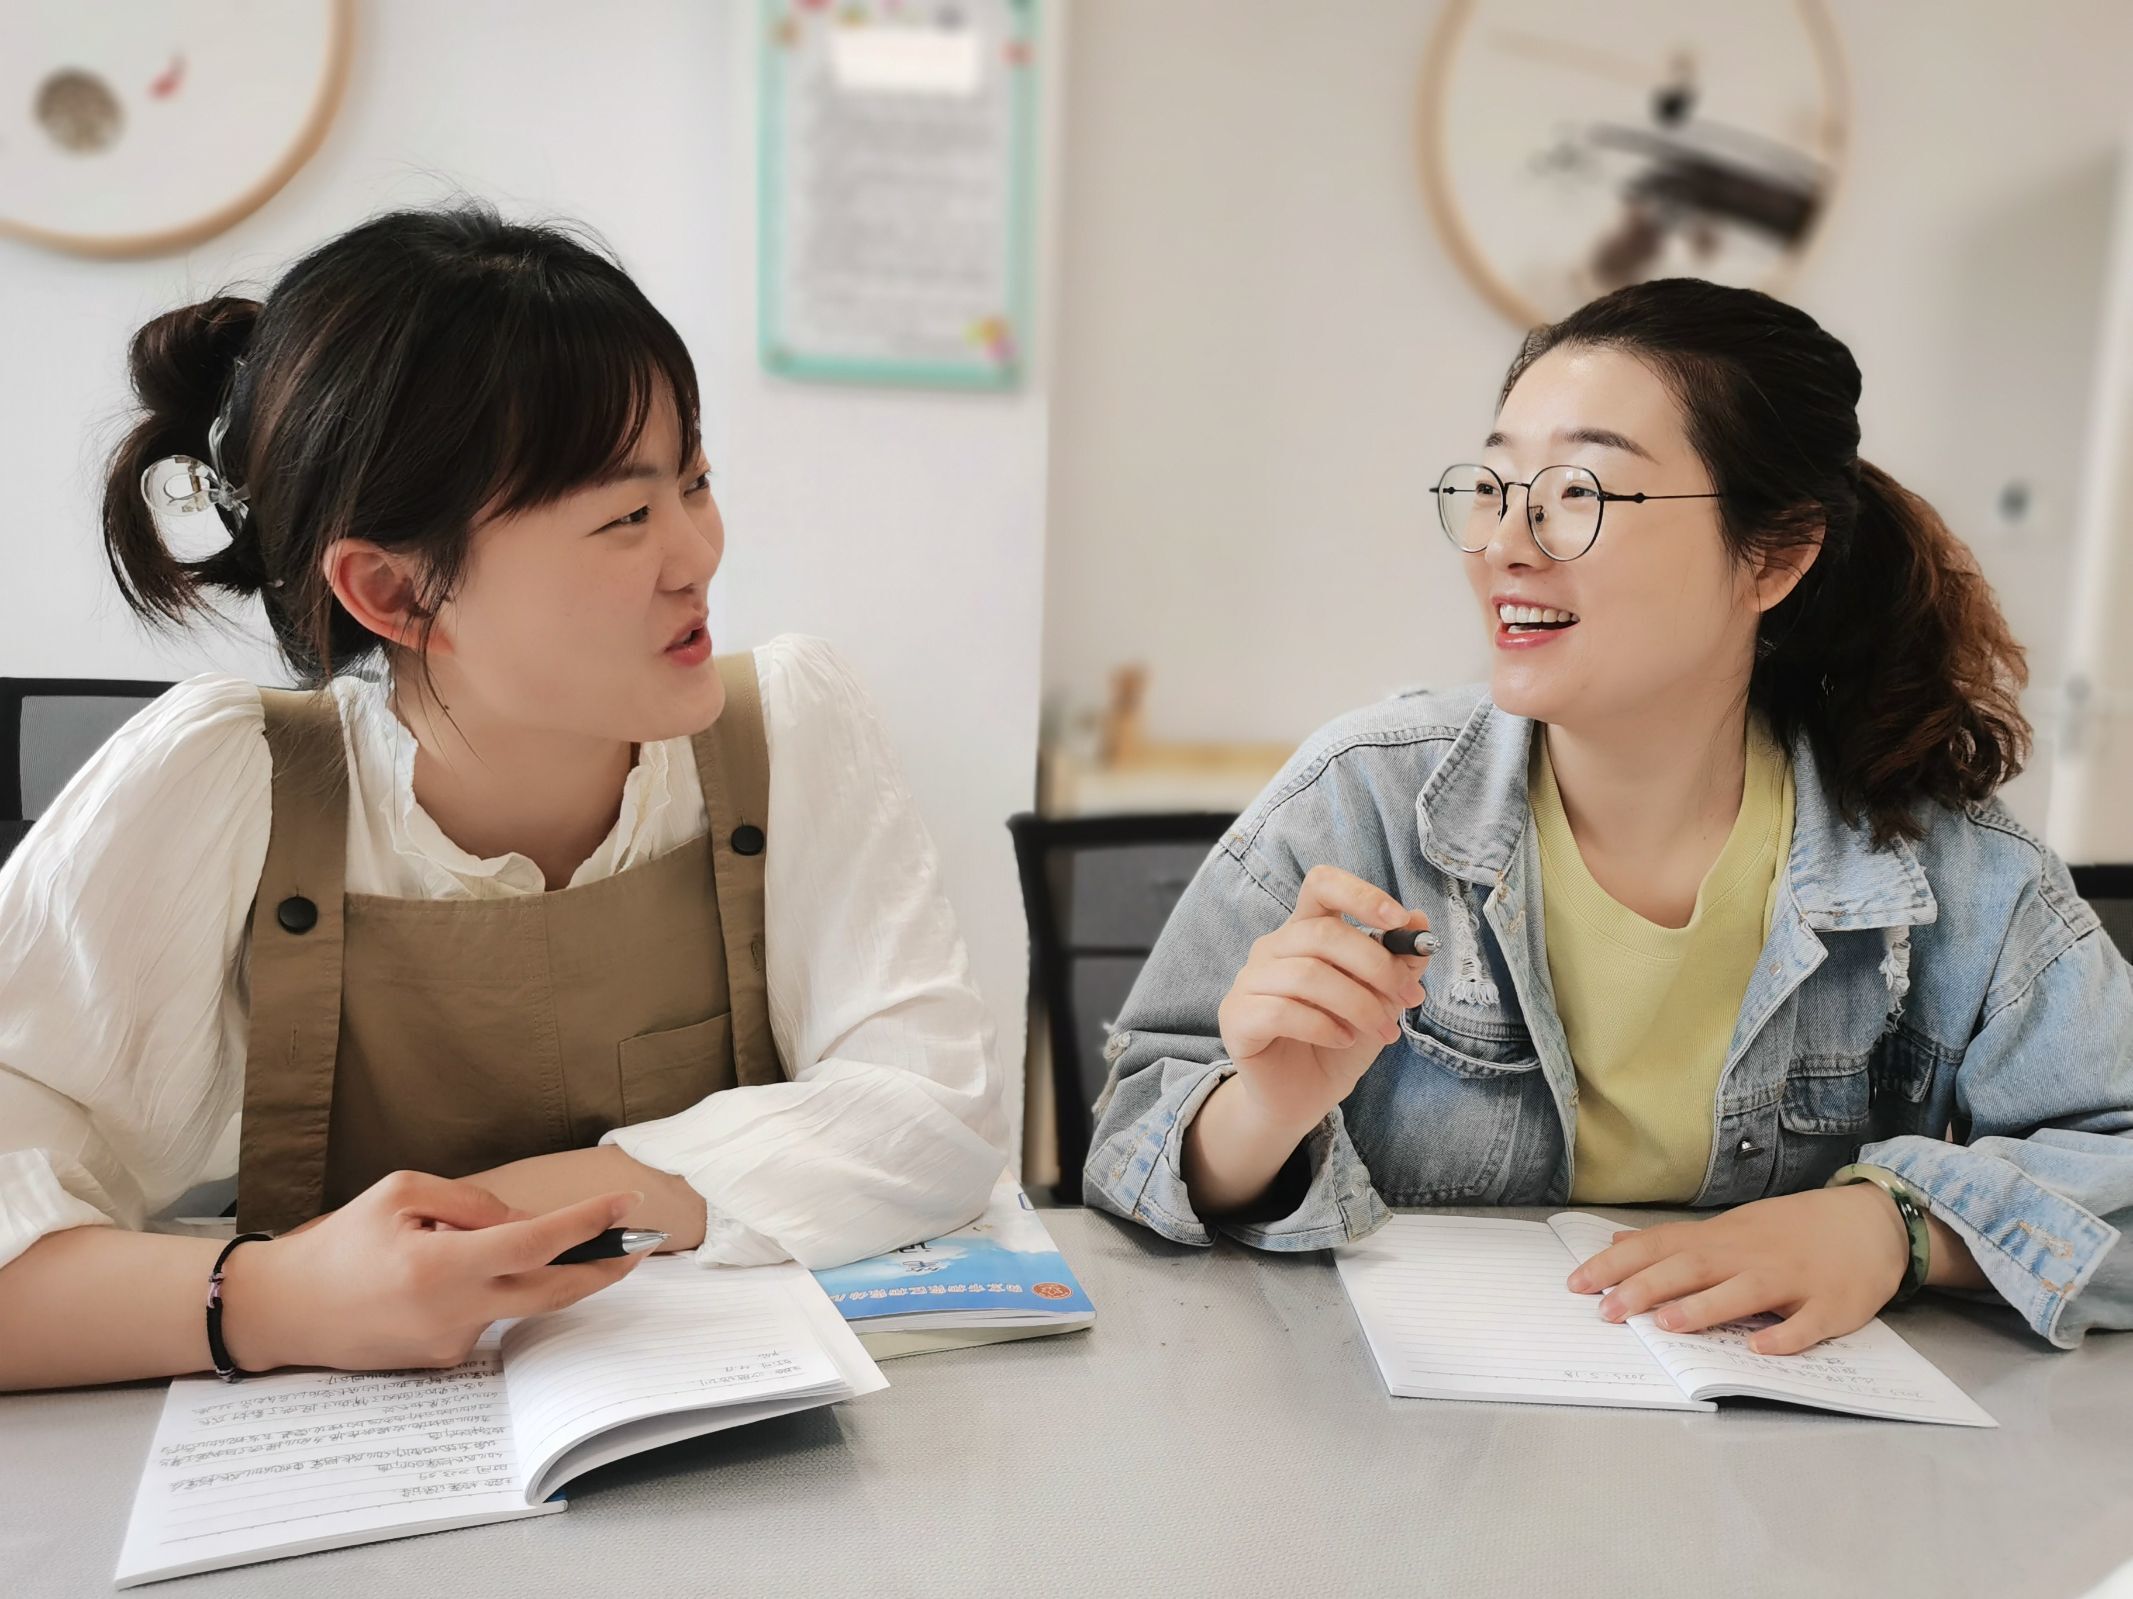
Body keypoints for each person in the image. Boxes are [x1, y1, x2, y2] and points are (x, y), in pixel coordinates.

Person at [0, 205, 1006, 1390]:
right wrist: (282, 1298)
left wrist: (491, 1222)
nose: (698, 553)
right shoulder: (222, 783)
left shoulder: (787, 727)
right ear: (395, 590)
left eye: (694, 479)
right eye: (627, 516)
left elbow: (932, 1118)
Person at [1086, 278, 2132, 1352]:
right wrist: (1264, 1111)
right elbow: (1127, 1139)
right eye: (1494, 487)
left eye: (1580, 493)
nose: (1507, 542)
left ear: (1774, 555)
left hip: (1776, 1475)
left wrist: (1891, 1228)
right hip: (1412, 1465)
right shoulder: (1360, 799)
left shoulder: (1945, 865)